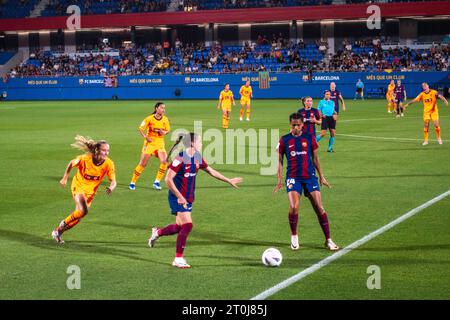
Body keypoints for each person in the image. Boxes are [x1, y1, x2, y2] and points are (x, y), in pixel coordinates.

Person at [148, 133, 243, 268]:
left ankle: (157, 232)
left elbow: (211, 171)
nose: (201, 144)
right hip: (178, 197)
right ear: (192, 143)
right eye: (200, 142)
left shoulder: (197, 157)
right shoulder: (180, 158)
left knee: (179, 227)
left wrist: (229, 180)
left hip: (188, 197)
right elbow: (168, 180)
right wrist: (180, 197)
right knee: (188, 225)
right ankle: (178, 259)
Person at [274, 113, 339, 252]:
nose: (296, 127)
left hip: (310, 177)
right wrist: (279, 180)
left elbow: (315, 158)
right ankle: (294, 236)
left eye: (298, 125)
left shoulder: (309, 138)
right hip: (293, 177)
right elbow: (279, 161)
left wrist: (322, 176)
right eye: (293, 125)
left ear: (303, 125)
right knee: (294, 206)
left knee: (319, 208)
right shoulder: (284, 140)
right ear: (290, 125)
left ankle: (328, 239)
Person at [51, 135, 117, 244]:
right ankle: (63, 223)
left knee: (79, 216)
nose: (106, 153)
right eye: (104, 150)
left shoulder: (109, 164)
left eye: (108, 151)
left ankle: (57, 232)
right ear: (97, 150)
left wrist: (111, 188)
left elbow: (114, 181)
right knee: (84, 211)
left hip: (90, 192)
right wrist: (65, 178)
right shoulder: (85, 158)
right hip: (78, 186)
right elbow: (71, 163)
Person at [129, 102, 170, 191]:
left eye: (164, 108)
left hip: (160, 143)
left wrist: (164, 132)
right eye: (162, 108)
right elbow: (140, 128)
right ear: (156, 108)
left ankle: (157, 182)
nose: (163, 110)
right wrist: (146, 137)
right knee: (143, 164)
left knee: (164, 161)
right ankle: (132, 182)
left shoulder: (165, 119)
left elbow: (167, 130)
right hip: (149, 143)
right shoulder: (149, 119)